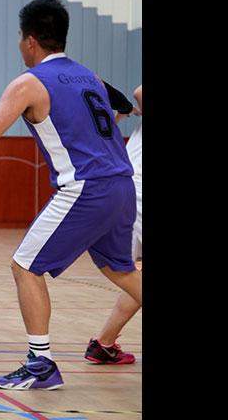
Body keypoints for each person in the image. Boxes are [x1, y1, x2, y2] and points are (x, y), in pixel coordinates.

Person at [0, 0, 141, 390]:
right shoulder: (89, 76)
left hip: (87, 187)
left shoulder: (29, 82)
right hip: (123, 183)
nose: (20, 45)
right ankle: (41, 364)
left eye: (20, 38)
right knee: (119, 269)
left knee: (25, 267)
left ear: (30, 41)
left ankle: (41, 364)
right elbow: (118, 108)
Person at [85, 84, 142, 365]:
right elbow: (140, 91)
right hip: (134, 195)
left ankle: (104, 343)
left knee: (134, 277)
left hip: (125, 194)